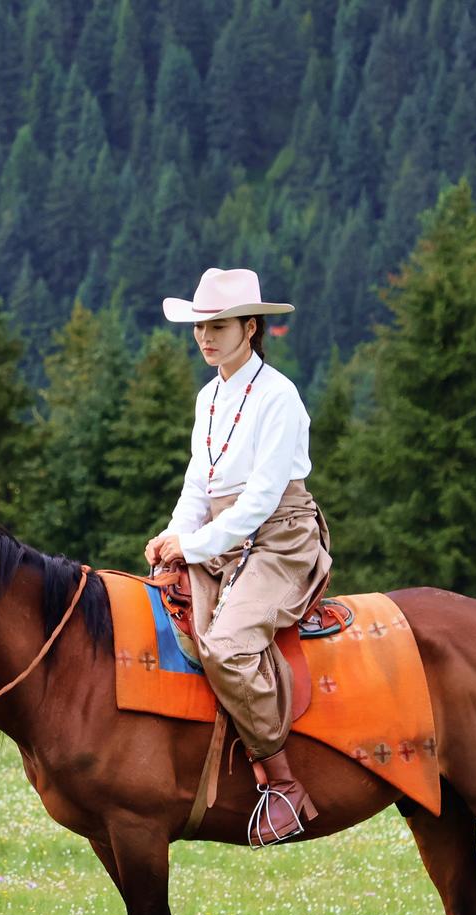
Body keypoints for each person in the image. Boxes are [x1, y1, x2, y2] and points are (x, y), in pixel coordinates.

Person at [145, 267, 331, 847]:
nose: (205, 336)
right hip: (226, 540)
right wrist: (173, 536)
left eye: (219, 325)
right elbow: (198, 486)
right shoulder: (209, 395)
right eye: (200, 326)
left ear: (250, 327)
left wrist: (195, 545)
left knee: (225, 644)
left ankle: (282, 784)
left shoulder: (280, 397)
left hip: (280, 539)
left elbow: (261, 499)